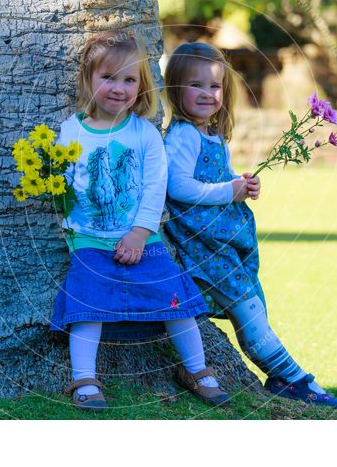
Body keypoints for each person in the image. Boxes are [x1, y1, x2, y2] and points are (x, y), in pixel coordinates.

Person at [50, 31, 231, 410]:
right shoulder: (71, 131)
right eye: (108, 77)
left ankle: (196, 368)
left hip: (144, 242)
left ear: (141, 85)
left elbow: (154, 189)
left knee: (175, 301)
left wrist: (138, 233)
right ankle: (83, 378)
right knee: (87, 305)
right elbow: (65, 183)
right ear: (88, 80)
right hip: (89, 240)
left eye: (129, 79)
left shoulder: (144, 134)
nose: (119, 88)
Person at [162, 42, 337, 409]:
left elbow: (217, 177)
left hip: (220, 240)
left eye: (214, 86)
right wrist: (229, 191)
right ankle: (292, 378)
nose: (207, 94)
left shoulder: (210, 134)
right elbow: (177, 187)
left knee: (252, 305)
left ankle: (282, 375)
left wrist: (241, 183)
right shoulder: (182, 135)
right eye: (195, 85)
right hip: (202, 244)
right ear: (176, 89)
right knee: (246, 307)